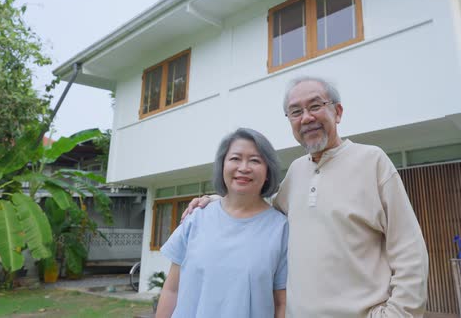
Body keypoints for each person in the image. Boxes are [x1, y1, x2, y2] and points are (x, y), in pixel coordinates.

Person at [184, 77, 429, 318]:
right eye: (295, 112)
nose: (306, 118)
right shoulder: (297, 172)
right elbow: (265, 208)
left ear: (338, 111)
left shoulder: (372, 161)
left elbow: (409, 250)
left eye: (315, 106)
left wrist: (399, 313)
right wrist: (221, 200)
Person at [157, 128, 288, 318]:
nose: (244, 167)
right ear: (222, 166)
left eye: (255, 160)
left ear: (268, 172)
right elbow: (172, 290)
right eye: (235, 158)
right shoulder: (196, 218)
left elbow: (281, 303)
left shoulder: (281, 229)